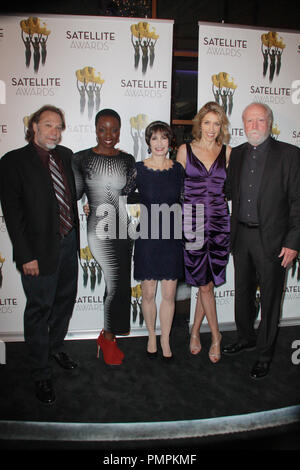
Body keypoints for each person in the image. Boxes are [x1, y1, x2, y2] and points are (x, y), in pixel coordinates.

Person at [0, 105, 79, 405]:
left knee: (64, 300)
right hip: (38, 252)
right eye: (48, 125)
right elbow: (12, 214)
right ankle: (40, 372)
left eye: (58, 126)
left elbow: (69, 193)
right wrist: (25, 256)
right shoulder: (12, 162)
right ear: (33, 126)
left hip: (69, 242)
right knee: (38, 310)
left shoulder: (66, 155)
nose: (54, 132)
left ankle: (56, 347)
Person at [222, 102, 300, 378]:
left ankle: (265, 353)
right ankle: (245, 337)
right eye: (249, 121)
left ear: (269, 122)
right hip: (241, 235)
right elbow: (228, 190)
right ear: (243, 125)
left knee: (270, 299)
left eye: (260, 120)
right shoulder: (239, 154)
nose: (254, 126)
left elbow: (297, 202)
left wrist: (293, 242)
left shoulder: (290, 155)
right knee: (242, 292)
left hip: (275, 241)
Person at [72, 109, 136, 366]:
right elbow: (75, 193)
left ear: (120, 131)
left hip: (123, 227)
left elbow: (130, 195)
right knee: (115, 281)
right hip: (99, 227)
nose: (108, 135)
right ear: (95, 129)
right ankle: (108, 338)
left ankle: (108, 334)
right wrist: (88, 202)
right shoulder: (81, 158)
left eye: (114, 129)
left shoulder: (129, 159)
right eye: (102, 129)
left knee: (119, 284)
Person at [177, 102, 231, 363]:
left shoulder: (228, 152)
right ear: (199, 124)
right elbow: (174, 188)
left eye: (216, 123)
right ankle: (217, 336)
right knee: (204, 283)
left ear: (222, 126)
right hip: (193, 223)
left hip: (220, 222)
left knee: (206, 283)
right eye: (207, 123)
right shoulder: (185, 150)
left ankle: (195, 331)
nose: (211, 129)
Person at [133, 121, 185, 359]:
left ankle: (165, 339)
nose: (160, 143)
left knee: (168, 294)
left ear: (170, 142)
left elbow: (189, 199)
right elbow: (118, 193)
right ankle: (151, 335)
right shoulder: (138, 169)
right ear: (148, 142)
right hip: (147, 237)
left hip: (172, 237)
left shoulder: (178, 170)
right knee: (149, 292)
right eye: (154, 138)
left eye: (164, 138)